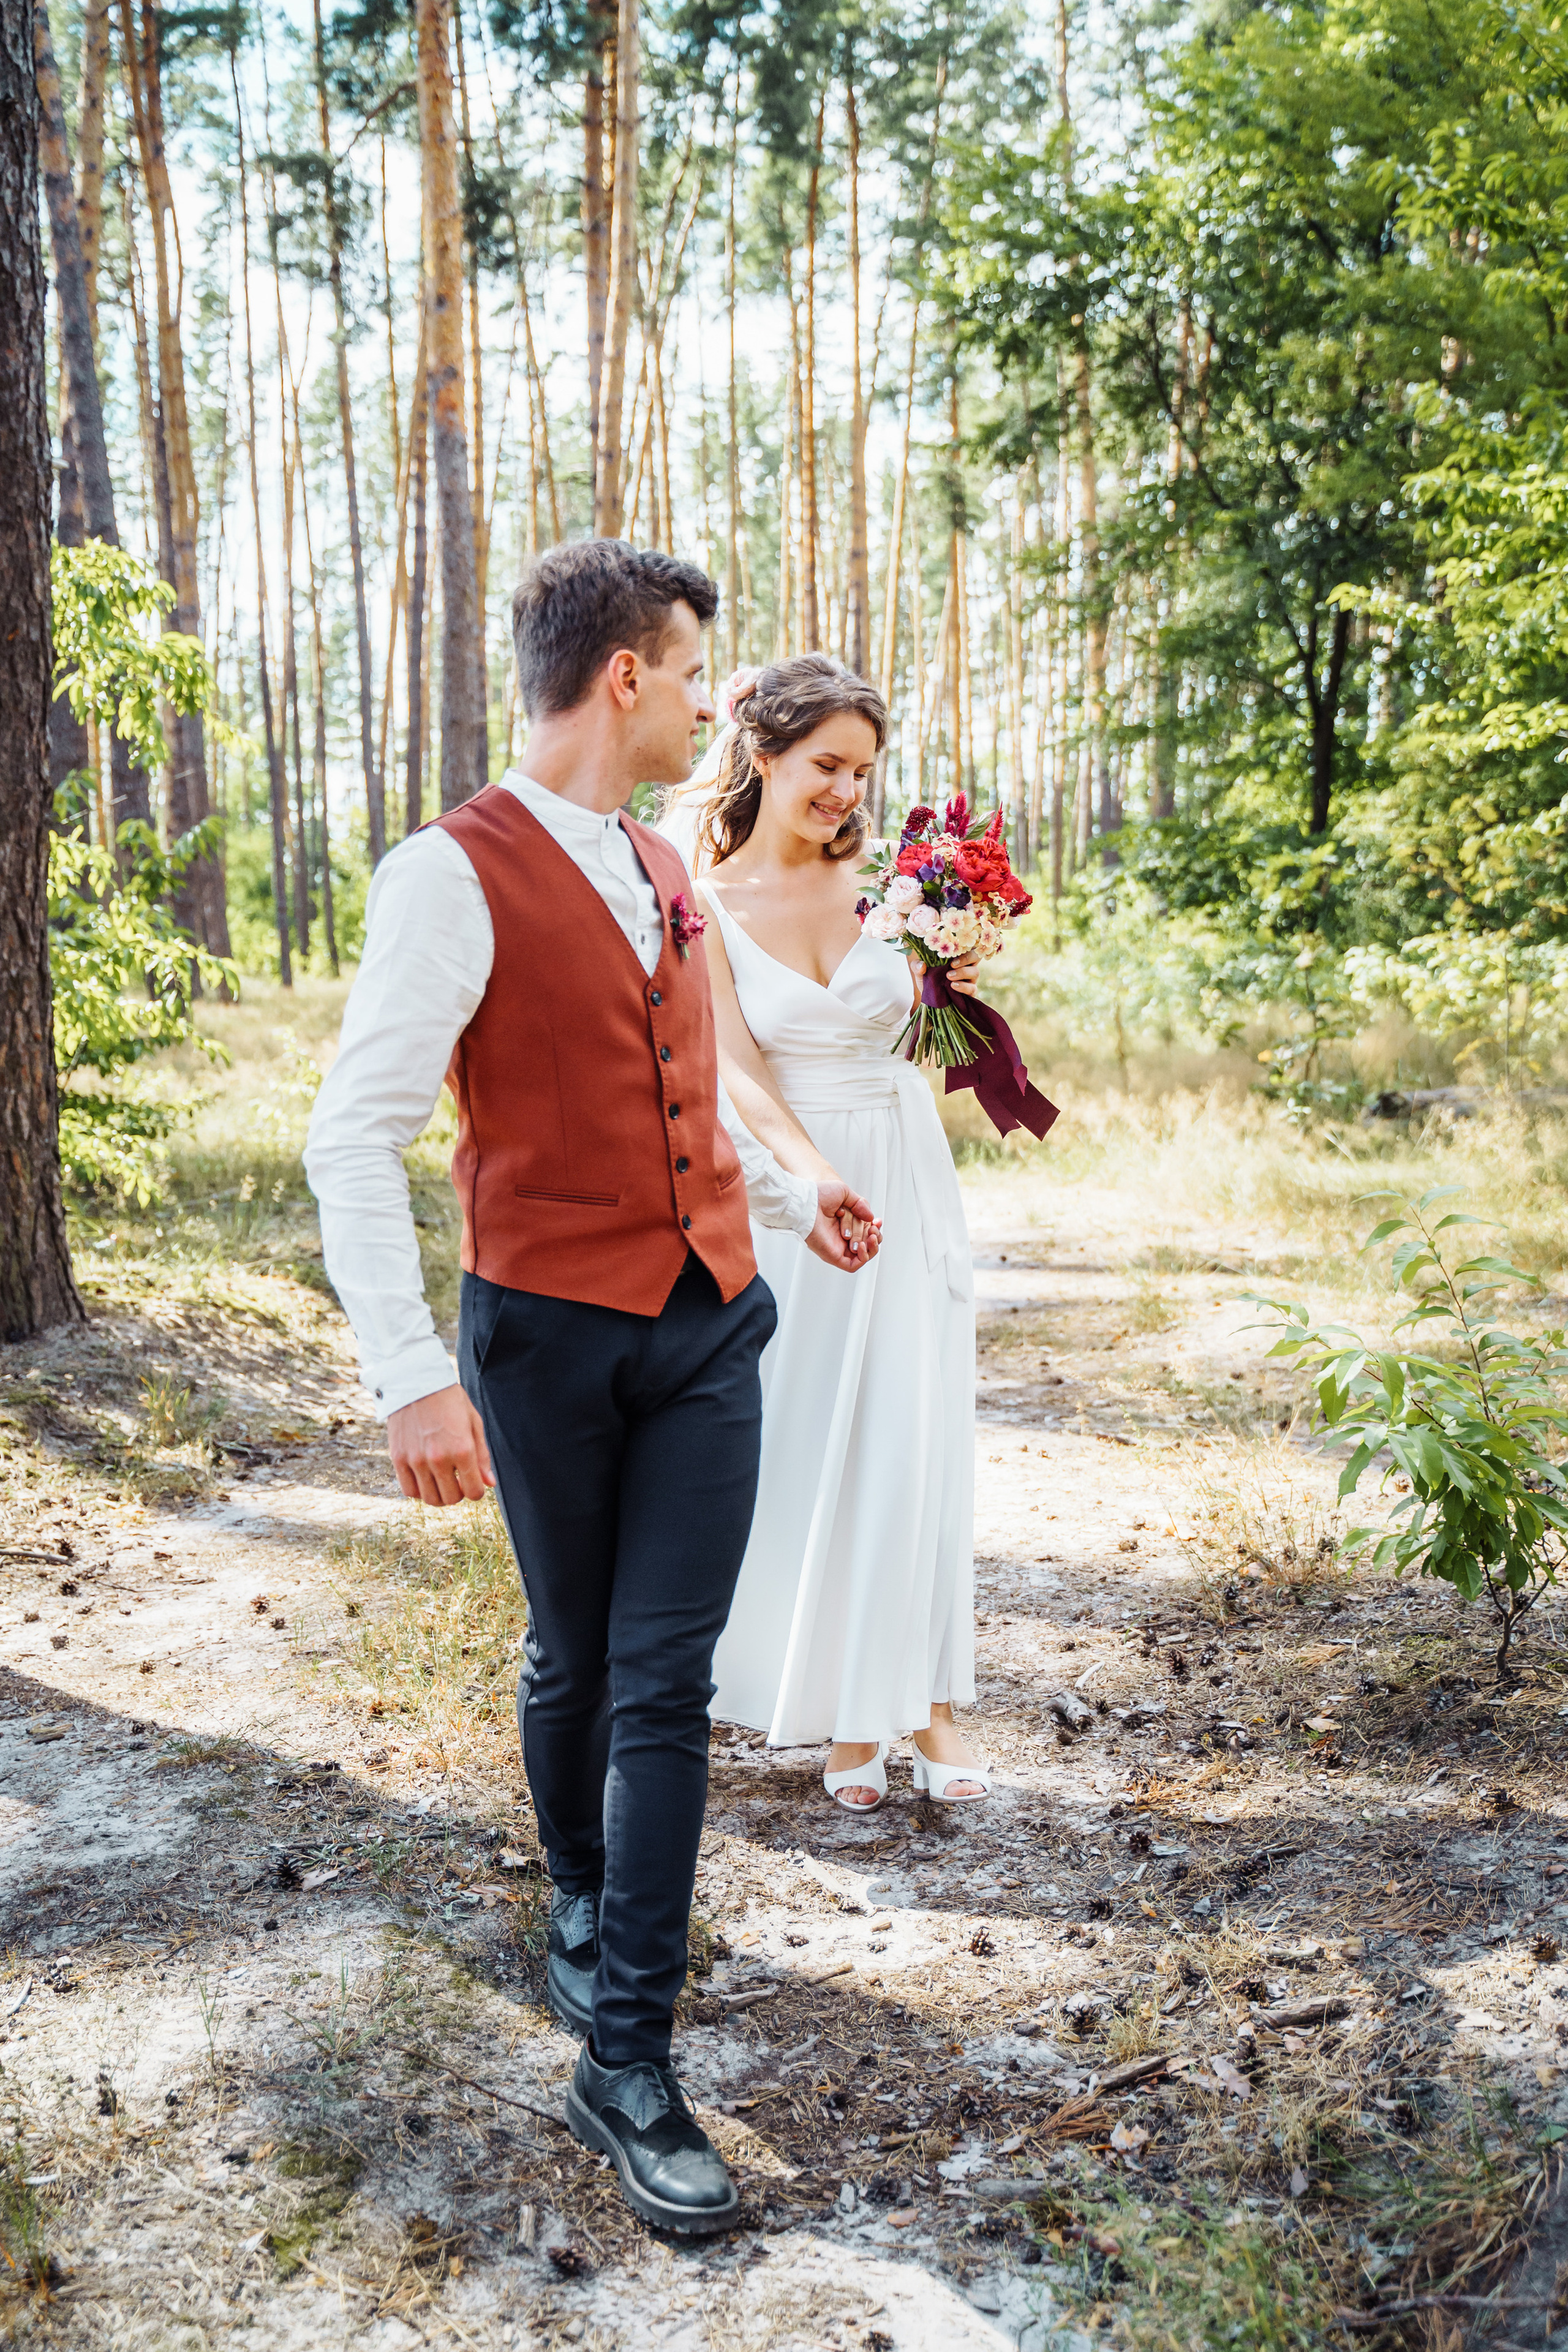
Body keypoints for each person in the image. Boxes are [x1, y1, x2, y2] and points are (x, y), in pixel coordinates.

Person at [304, 544, 880, 2236]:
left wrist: (795, 1192)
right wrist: (412, 1377)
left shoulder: (658, 861)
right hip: (544, 1332)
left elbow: (693, 1077)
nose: (715, 702)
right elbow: (356, 1136)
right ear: (624, 676)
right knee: (573, 1652)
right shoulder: (449, 872)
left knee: (661, 1680)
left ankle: (627, 2059)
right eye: (699, 673)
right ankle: (574, 1885)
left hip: (711, 1323)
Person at [658, 655, 990, 1812]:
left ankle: (929, 1703)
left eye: (863, 771)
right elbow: (736, 1075)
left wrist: (958, 959)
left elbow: (934, 1045)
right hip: (806, 1193)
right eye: (826, 766)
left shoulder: (891, 890)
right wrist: (810, 1183)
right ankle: (849, 1708)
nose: (848, 791)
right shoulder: (701, 903)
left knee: (915, 1434)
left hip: (909, 1164)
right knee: (823, 1446)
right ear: (762, 755)